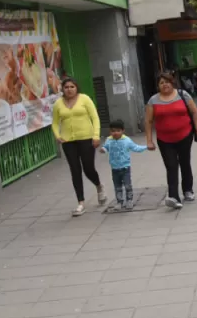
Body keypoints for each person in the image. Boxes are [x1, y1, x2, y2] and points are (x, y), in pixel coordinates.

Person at [145, 72, 197, 209]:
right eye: (161, 83)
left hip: (185, 136)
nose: (165, 84)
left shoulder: (183, 95)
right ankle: (173, 196)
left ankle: (188, 190)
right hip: (164, 139)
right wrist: (149, 140)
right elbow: (148, 121)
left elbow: (195, 112)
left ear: (172, 83)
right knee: (171, 166)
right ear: (158, 86)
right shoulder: (153, 100)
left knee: (185, 163)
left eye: (167, 81)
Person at [51, 78, 105, 216]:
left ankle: (99, 185)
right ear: (62, 89)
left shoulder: (85, 99)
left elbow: (95, 117)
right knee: (75, 170)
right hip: (68, 141)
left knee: (88, 168)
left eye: (72, 87)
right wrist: (57, 135)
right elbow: (55, 122)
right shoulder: (58, 104)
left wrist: (96, 135)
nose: (69, 89)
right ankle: (81, 203)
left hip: (86, 138)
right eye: (66, 87)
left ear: (76, 88)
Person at [100, 119, 147, 210]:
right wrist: (103, 150)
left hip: (125, 168)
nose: (115, 133)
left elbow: (135, 148)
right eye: (113, 131)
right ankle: (119, 202)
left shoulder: (127, 140)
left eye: (118, 131)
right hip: (114, 168)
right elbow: (106, 147)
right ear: (110, 131)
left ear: (123, 131)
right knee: (117, 186)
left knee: (127, 185)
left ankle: (129, 200)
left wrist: (146, 147)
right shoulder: (109, 140)